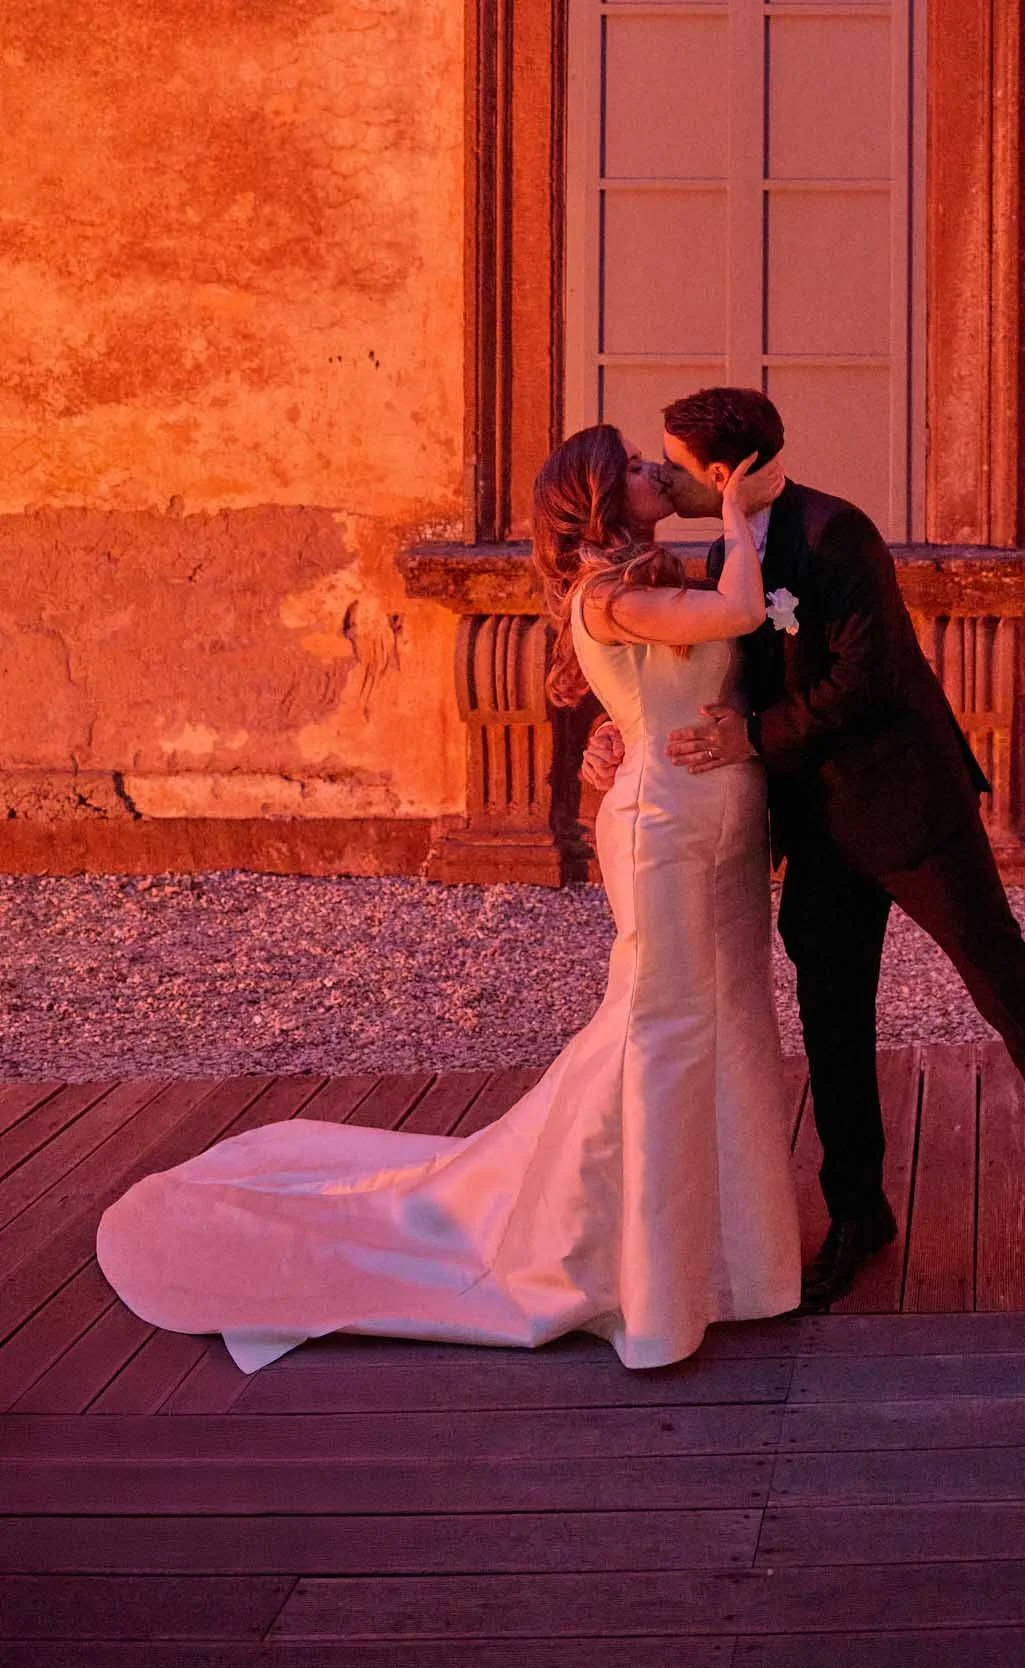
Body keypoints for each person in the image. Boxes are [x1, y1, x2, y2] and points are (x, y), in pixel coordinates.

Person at [97, 427, 800, 1374]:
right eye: (634, 467)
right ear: (595, 498)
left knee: (733, 1018)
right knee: (660, 1027)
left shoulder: (652, 579)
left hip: (724, 815)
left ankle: (734, 1268)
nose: (651, 473)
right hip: (662, 828)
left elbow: (700, 666)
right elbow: (739, 613)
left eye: (648, 460)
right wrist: (729, 506)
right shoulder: (607, 593)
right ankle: (628, 1271)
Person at [585, 385, 1025, 1310]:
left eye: (674, 468)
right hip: (815, 831)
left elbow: (868, 675)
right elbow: (667, 652)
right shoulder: (718, 554)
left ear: (723, 475)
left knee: (1010, 991)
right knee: (834, 1021)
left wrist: (752, 740)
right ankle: (857, 1213)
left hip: (908, 812)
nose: (663, 480)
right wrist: (617, 727)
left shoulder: (835, 533)